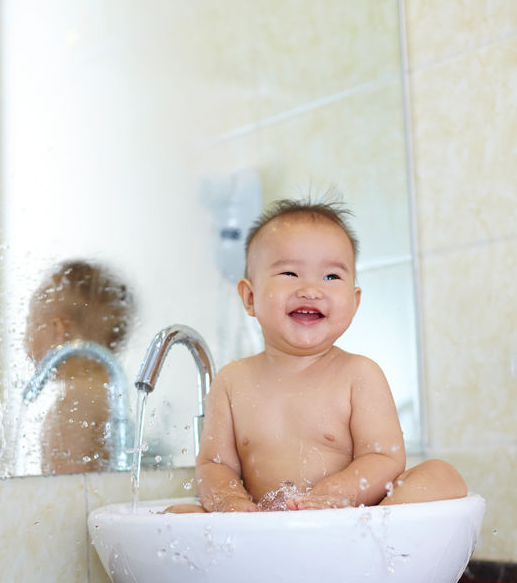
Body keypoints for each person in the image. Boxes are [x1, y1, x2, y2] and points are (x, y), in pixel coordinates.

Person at [173, 196, 466, 513]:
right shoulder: (232, 381)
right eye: (289, 274)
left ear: (354, 303)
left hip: (344, 520)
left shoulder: (358, 375)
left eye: (331, 277)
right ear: (250, 297)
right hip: (262, 525)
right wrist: (232, 502)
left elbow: (384, 459)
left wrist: (334, 495)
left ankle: (368, 546)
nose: (311, 289)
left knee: (442, 475)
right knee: (177, 515)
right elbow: (215, 466)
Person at [24, 260, 134, 475]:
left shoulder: (75, 401)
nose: (25, 340)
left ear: (59, 330)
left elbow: (67, 488)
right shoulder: (106, 389)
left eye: (30, 323)